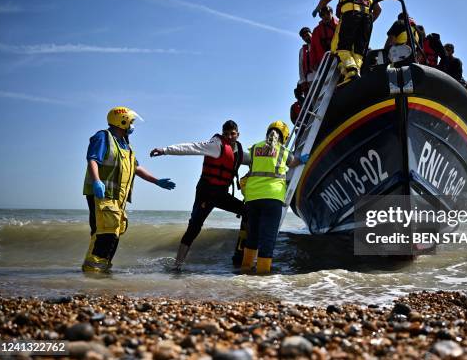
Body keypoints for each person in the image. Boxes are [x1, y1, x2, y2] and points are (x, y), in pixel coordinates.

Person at [82, 106, 176, 273]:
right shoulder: (103, 137)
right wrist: (96, 181)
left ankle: (102, 269)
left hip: (118, 198)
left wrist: (156, 181)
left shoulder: (125, 144)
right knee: (104, 232)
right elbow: (92, 160)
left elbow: (136, 168)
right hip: (102, 194)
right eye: (131, 121)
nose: (132, 125)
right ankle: (92, 271)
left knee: (115, 231)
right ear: (122, 121)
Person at [150, 120, 250, 269]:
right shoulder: (215, 145)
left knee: (247, 211)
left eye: (232, 134)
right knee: (194, 227)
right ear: (223, 134)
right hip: (206, 193)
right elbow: (191, 148)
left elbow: (254, 160)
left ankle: (241, 254)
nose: (229, 136)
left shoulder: (239, 151)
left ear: (238, 134)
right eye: (226, 134)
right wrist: (165, 150)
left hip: (222, 194)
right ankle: (178, 265)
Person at [240, 121, 308, 274]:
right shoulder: (283, 151)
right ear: (284, 137)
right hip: (272, 197)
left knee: (252, 237)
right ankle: (263, 275)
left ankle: (245, 269)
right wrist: (302, 160)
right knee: (267, 239)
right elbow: (293, 162)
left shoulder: (255, 147)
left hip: (252, 197)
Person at [312, 0, 382, 85]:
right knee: (358, 51)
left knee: (342, 47)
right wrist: (368, 24)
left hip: (351, 15)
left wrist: (317, 9)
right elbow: (378, 10)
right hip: (367, 19)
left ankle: (351, 71)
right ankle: (353, 74)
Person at [310, 5, 339, 71]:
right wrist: (313, 63)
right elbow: (313, 48)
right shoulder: (316, 30)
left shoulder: (340, 25)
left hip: (340, 58)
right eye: (322, 14)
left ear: (331, 13)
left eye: (327, 13)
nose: (325, 16)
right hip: (324, 62)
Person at [298, 27, 314, 96]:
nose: (306, 38)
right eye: (303, 37)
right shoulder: (302, 51)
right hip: (310, 79)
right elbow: (301, 67)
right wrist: (303, 81)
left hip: (322, 74)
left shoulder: (319, 43)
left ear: (311, 34)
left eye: (307, 35)